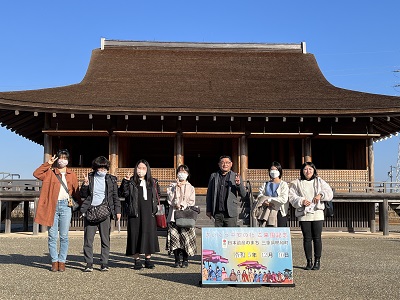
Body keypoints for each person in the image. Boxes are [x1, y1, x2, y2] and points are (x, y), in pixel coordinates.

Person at [33, 149, 81, 272]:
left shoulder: (72, 175)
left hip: (66, 206)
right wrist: (48, 163)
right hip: (52, 206)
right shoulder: (50, 173)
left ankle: (62, 260)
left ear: (68, 160)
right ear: (57, 159)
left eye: (65, 158)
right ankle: (54, 261)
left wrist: (82, 206)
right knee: (52, 236)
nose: (62, 160)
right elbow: (36, 174)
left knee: (64, 236)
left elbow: (76, 192)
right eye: (60, 157)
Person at [289, 162, 333, 270]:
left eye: (310, 169)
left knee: (317, 238)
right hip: (304, 213)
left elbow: (329, 192)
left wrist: (320, 195)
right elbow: (292, 196)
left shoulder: (319, 181)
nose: (307, 171)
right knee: (307, 238)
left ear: (314, 170)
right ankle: (309, 261)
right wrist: (301, 200)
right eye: (305, 169)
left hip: (317, 212)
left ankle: (317, 261)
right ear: (302, 171)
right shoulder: (297, 183)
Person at [80, 156, 121, 272]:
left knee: (105, 239)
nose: (102, 170)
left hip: (105, 211)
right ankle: (89, 263)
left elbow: (115, 197)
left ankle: (104, 262)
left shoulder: (111, 179)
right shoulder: (90, 177)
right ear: (95, 168)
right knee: (88, 239)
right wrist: (85, 185)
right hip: (91, 210)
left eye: (104, 168)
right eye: (100, 168)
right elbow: (83, 194)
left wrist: (118, 211)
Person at [119, 159, 160, 269]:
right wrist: (125, 182)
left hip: (149, 213)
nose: (141, 170)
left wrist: (154, 208)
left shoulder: (153, 182)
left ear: (147, 170)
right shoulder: (131, 181)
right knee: (135, 234)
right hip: (135, 213)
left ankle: (148, 259)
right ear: (135, 169)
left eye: (143, 168)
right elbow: (123, 193)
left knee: (148, 234)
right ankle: (136, 259)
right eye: (139, 168)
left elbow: (157, 196)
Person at [166, 165, 196, 268]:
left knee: (185, 238)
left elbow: (191, 201)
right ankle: (176, 260)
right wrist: (176, 189)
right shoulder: (172, 186)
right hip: (174, 215)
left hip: (185, 215)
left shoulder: (191, 187)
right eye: (180, 171)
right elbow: (169, 199)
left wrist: (182, 204)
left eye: (184, 171)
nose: (182, 173)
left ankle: (185, 259)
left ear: (188, 174)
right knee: (174, 238)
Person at [206, 155, 246, 227]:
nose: (225, 164)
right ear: (219, 164)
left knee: (231, 236)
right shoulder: (214, 176)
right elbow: (209, 194)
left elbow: (243, 194)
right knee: (218, 236)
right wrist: (208, 209)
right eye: (222, 162)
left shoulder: (236, 176)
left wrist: (238, 184)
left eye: (227, 162)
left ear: (231, 164)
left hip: (230, 213)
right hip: (217, 213)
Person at [253, 161, 289, 227]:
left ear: (279, 171)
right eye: (272, 170)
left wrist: (269, 200)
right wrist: (264, 201)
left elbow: (284, 199)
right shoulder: (265, 184)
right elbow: (260, 196)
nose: (274, 171)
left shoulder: (284, 184)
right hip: (266, 211)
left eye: (276, 170)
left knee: (279, 233)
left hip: (280, 211)